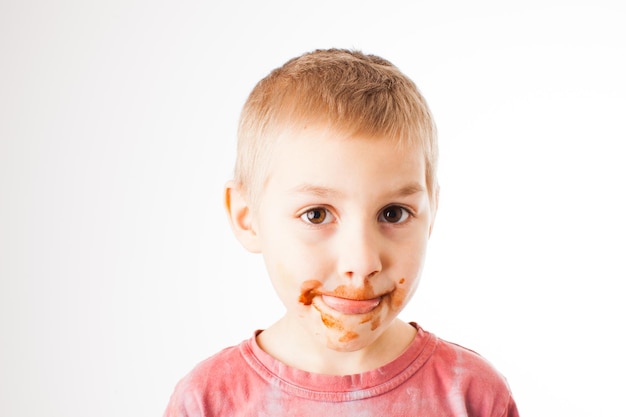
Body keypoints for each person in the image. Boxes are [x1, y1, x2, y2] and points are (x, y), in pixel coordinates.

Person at [163, 48, 519, 416]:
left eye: (393, 213)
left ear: (431, 215)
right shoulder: (208, 400)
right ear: (245, 216)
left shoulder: (473, 394)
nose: (362, 263)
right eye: (316, 215)